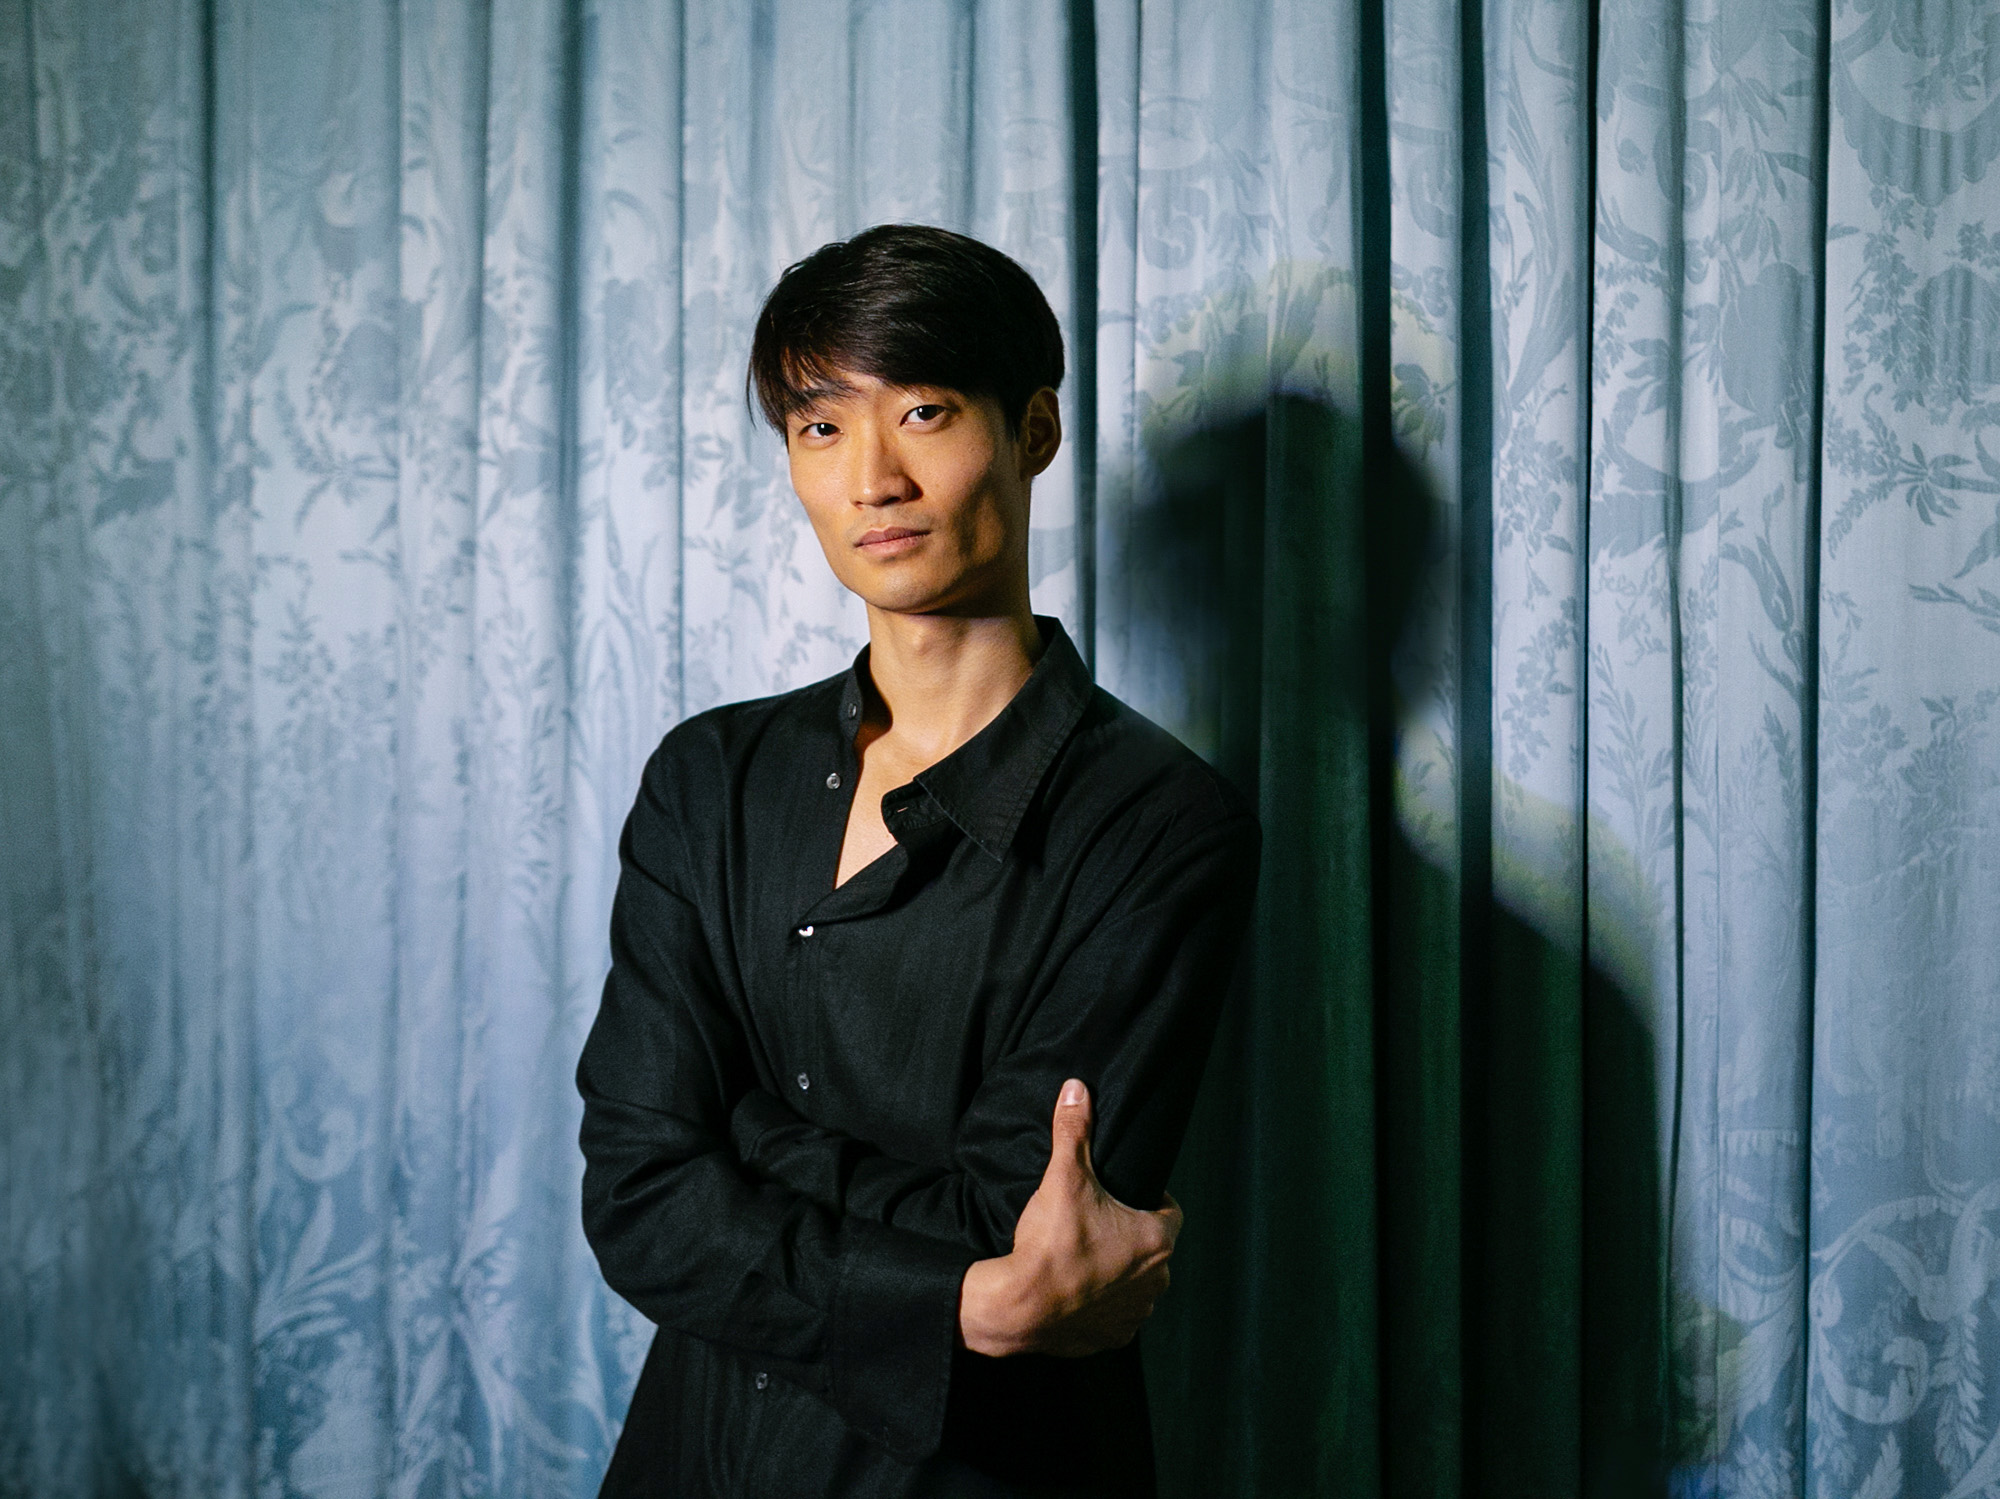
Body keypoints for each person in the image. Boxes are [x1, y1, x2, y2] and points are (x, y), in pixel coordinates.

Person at [576, 224, 1261, 1498]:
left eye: (924, 412)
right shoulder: (707, 776)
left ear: (1033, 430)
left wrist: (736, 1140)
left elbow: (1013, 1226)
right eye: (819, 426)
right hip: (692, 1454)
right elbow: (634, 1189)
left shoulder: (1160, 823)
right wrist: (961, 1298)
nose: (871, 478)